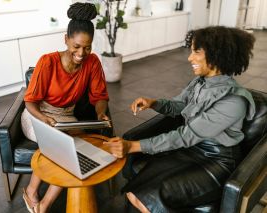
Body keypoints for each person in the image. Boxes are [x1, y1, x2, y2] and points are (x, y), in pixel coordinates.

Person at [104, 26, 256, 213]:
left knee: (146, 200)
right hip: (192, 149)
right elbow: (179, 106)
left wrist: (132, 146)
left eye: (196, 51)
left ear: (217, 54)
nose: (189, 57)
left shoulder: (233, 101)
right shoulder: (200, 82)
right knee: (133, 192)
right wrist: (154, 103)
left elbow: (185, 136)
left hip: (216, 161)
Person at [21, 3, 109, 213]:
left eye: (87, 47)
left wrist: (100, 112)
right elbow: (30, 101)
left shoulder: (93, 62)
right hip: (37, 115)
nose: (82, 53)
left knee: (75, 153)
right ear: (66, 39)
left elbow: (100, 96)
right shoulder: (48, 62)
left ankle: (43, 205)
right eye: (77, 46)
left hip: (66, 116)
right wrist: (43, 119)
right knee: (57, 146)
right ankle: (31, 192)